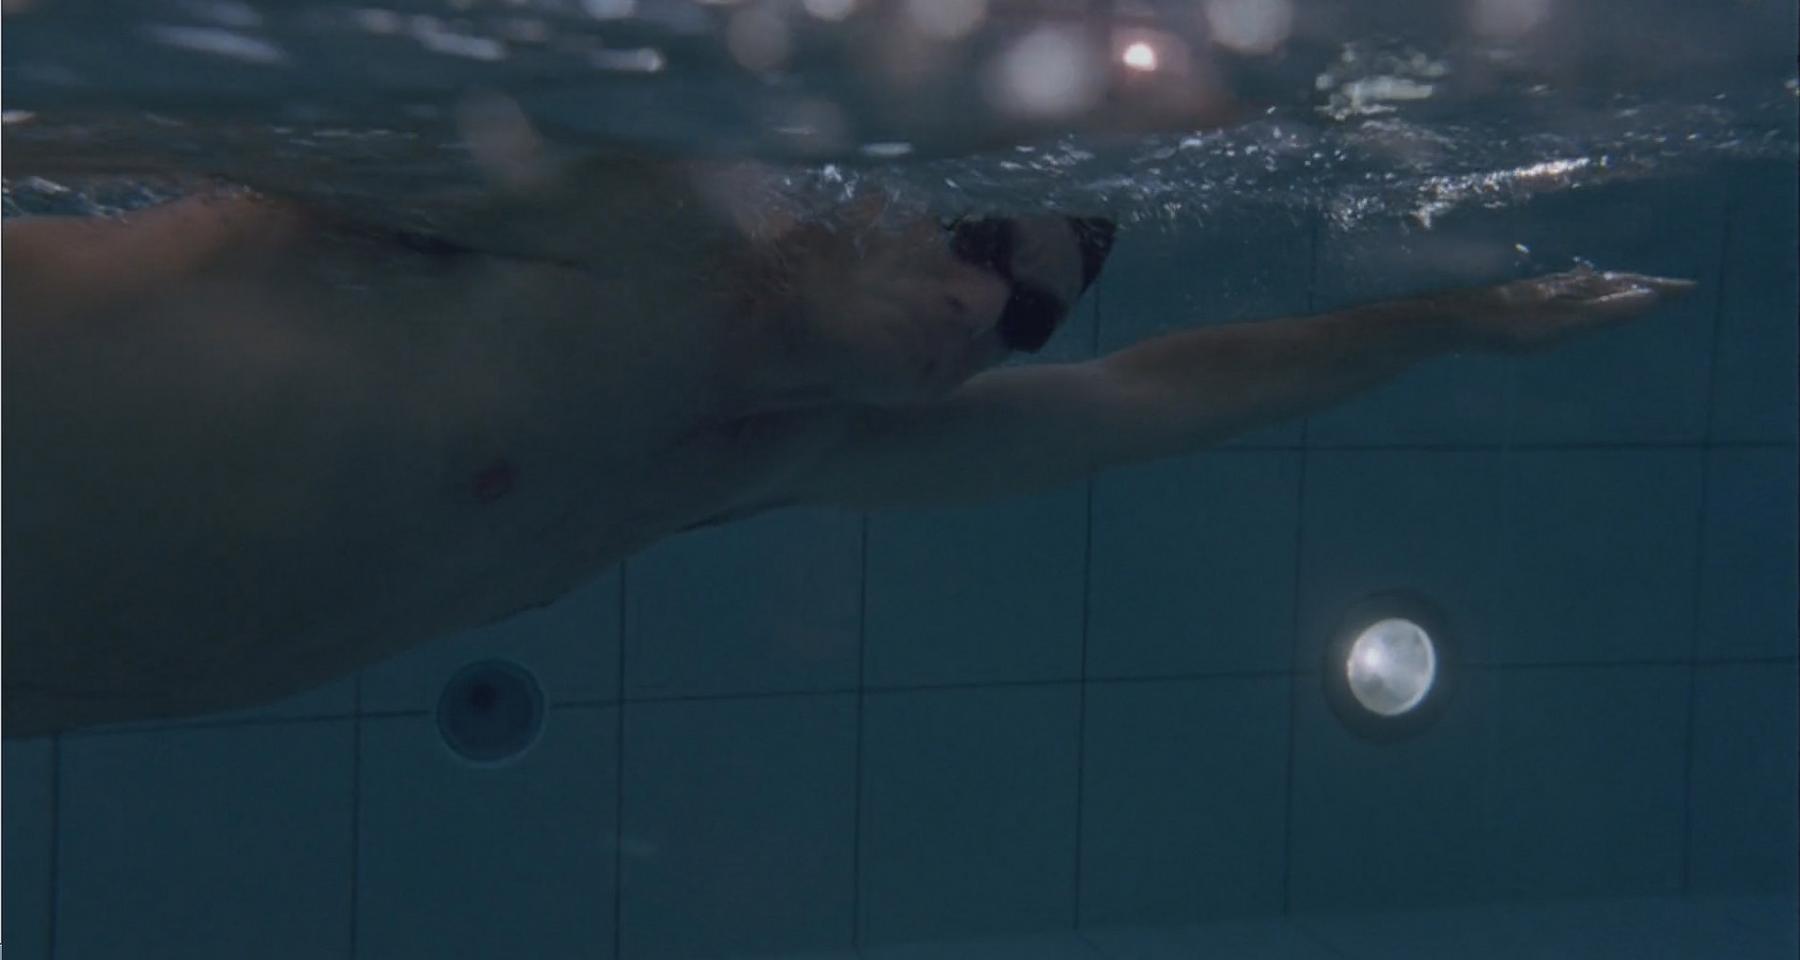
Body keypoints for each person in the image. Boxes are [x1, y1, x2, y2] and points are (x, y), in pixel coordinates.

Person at [0, 153, 1691, 738]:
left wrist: (1444, 325)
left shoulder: (765, 450)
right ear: (867, 195)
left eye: (1025, 309)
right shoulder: (630, 223)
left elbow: (1152, 402)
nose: (980, 317)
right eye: (971, 242)